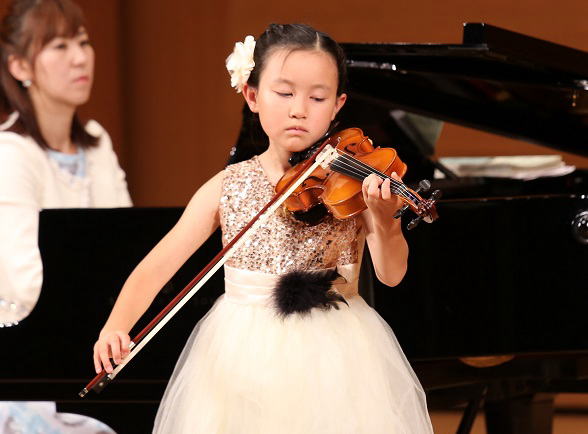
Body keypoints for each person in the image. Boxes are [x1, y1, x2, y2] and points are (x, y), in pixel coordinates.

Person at [94, 23, 433, 433]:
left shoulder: (355, 184)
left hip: (337, 354)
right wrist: (117, 324)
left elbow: (391, 275)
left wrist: (384, 221)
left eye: (318, 97)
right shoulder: (228, 185)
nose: (299, 109)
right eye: (284, 93)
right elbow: (158, 265)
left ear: (337, 105)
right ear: (252, 96)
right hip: (242, 355)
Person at [0, 1, 130, 432]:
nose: (80, 58)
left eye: (83, 42)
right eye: (59, 46)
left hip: (97, 341)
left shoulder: (96, 143)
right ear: (19, 65)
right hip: (30, 357)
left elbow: (126, 248)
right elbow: (26, 284)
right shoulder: (10, 154)